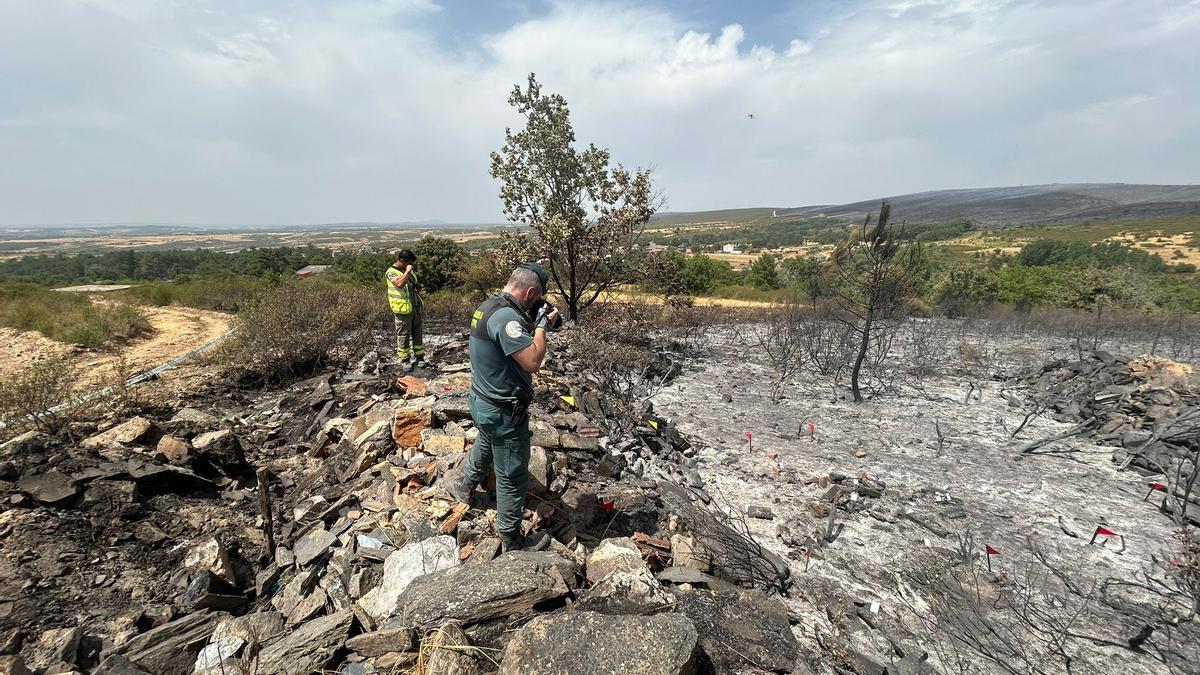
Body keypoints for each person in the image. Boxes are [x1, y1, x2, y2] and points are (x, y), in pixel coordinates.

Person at [444, 262, 561, 552]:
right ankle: (512, 538)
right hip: (504, 410)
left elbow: (506, 343)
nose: (535, 305)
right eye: (535, 299)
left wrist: (535, 322)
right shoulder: (507, 318)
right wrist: (542, 327)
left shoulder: (489, 305)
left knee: (486, 439)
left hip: (482, 401)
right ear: (530, 291)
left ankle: (466, 483)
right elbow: (533, 362)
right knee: (512, 475)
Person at [385, 249, 425, 370]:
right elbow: (399, 284)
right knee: (403, 335)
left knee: (417, 333)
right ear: (402, 261)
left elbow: (414, 286)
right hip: (402, 310)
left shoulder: (410, 272)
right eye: (409, 263)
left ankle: (419, 357)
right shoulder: (391, 272)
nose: (411, 266)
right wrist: (407, 272)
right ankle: (405, 359)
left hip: (415, 308)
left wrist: (418, 287)